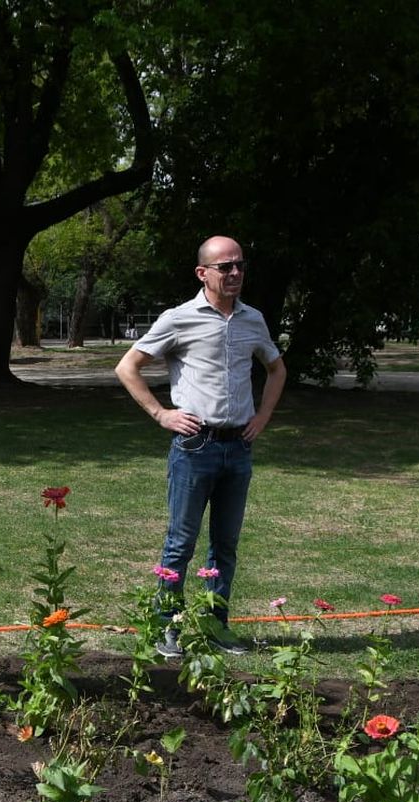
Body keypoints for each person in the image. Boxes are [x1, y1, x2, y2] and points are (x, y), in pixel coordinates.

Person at [114, 235, 286, 655]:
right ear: (202, 273)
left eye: (239, 265)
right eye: (224, 267)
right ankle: (165, 627)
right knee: (180, 543)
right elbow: (128, 367)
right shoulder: (179, 318)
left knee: (225, 545)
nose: (234, 273)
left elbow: (277, 369)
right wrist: (162, 414)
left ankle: (216, 623)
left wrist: (261, 418)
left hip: (238, 448)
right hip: (195, 447)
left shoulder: (253, 319)